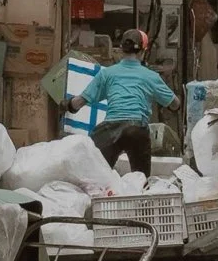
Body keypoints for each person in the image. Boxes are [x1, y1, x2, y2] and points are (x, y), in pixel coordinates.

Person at [64, 29, 178, 175]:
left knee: (96, 176)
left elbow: (79, 102)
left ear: (121, 49)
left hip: (110, 129)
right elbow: (175, 104)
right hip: (137, 128)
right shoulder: (151, 76)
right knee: (140, 179)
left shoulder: (107, 73)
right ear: (143, 51)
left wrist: (66, 105)